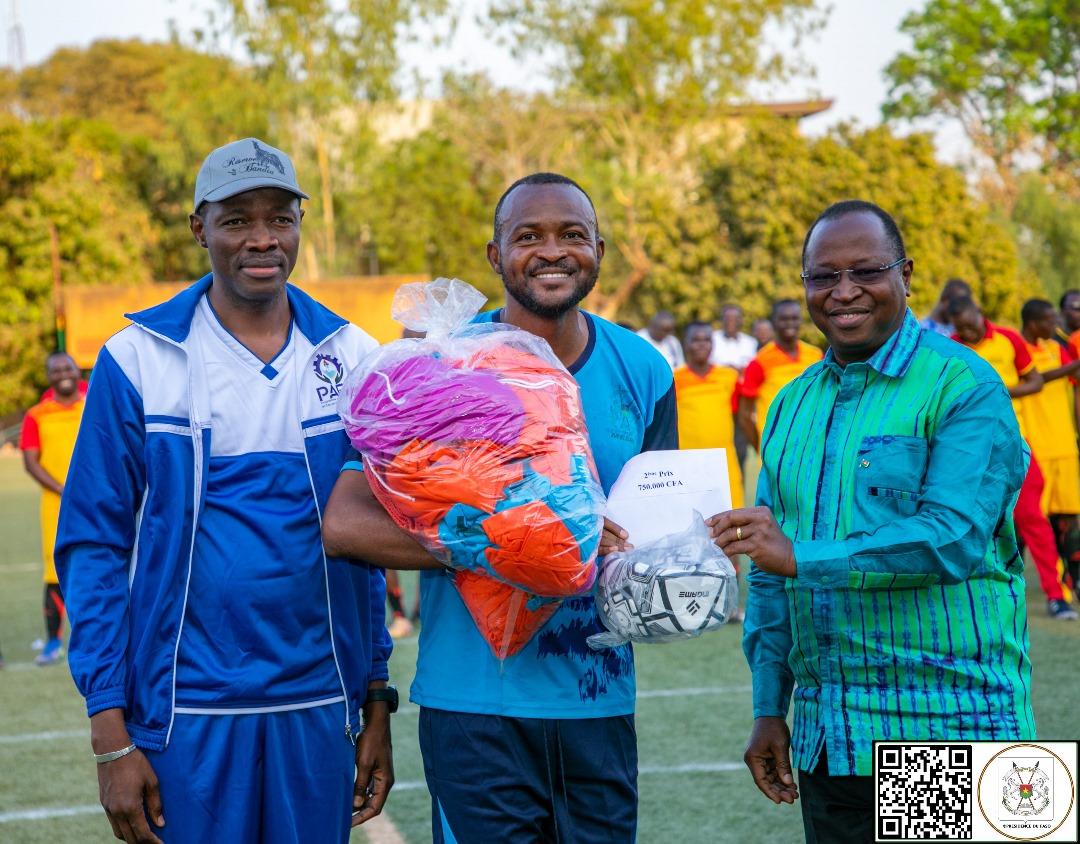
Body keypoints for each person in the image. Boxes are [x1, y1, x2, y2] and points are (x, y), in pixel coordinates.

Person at [54, 137, 395, 844]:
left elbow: (365, 546)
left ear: (302, 224)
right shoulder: (139, 359)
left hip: (320, 704)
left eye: (280, 217)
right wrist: (110, 729)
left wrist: (376, 701)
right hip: (186, 710)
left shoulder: (352, 356)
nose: (262, 238)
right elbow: (92, 545)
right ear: (199, 227)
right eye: (237, 219)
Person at [322, 172, 678, 843]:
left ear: (599, 250)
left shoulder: (644, 368)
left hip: (596, 699)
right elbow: (343, 524)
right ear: (494, 256)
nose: (552, 251)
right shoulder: (432, 368)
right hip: (474, 706)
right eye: (528, 237)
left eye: (572, 235)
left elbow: (649, 531)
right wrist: (512, 540)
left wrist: (685, 572)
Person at [707, 200, 1035, 842]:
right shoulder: (790, 404)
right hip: (830, 733)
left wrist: (803, 556)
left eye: (866, 271)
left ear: (905, 274)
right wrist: (769, 708)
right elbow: (771, 580)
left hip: (947, 723)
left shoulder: (964, 387)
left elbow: (956, 537)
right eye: (823, 277)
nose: (844, 292)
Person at [950, 295, 1078, 619]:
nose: (969, 333)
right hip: (969, 450)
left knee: (1034, 520)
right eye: (961, 328)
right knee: (967, 521)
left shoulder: (1008, 340)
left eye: (972, 325)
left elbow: (1035, 382)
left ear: (981, 315)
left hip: (1014, 444)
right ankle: (970, 596)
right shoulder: (949, 348)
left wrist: (996, 390)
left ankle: (1056, 595)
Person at [19, 352, 86, 666]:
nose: (63, 373)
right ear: (49, 377)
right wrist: (64, 490)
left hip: (101, 502)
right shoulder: (37, 414)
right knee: (54, 572)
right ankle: (53, 643)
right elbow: (31, 462)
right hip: (56, 505)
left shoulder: (95, 401)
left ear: (77, 369)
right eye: (56, 369)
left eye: (67, 367)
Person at [1020, 298, 1080, 597]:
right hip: (1035, 449)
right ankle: (1013, 579)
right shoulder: (1017, 349)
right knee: (1027, 523)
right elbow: (1034, 380)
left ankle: (1073, 579)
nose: (1056, 323)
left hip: (1064, 444)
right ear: (1033, 323)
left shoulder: (1056, 349)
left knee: (1068, 519)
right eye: (1049, 319)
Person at [735, 299, 823, 455]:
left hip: (811, 448)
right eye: (783, 319)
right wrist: (760, 447)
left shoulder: (815, 356)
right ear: (773, 322)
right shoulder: (759, 362)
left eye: (794, 318)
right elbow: (745, 415)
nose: (789, 323)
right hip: (776, 451)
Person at [673, 322, 743, 509]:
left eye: (706, 340)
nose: (702, 344)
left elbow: (739, 415)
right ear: (685, 344)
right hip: (688, 465)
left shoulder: (729, 377)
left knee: (732, 517)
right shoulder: (675, 379)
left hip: (724, 462)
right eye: (695, 340)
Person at [710, 304, 758, 371]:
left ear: (741, 321)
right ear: (721, 320)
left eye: (735, 318)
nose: (731, 321)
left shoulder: (751, 342)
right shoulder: (711, 339)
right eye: (728, 318)